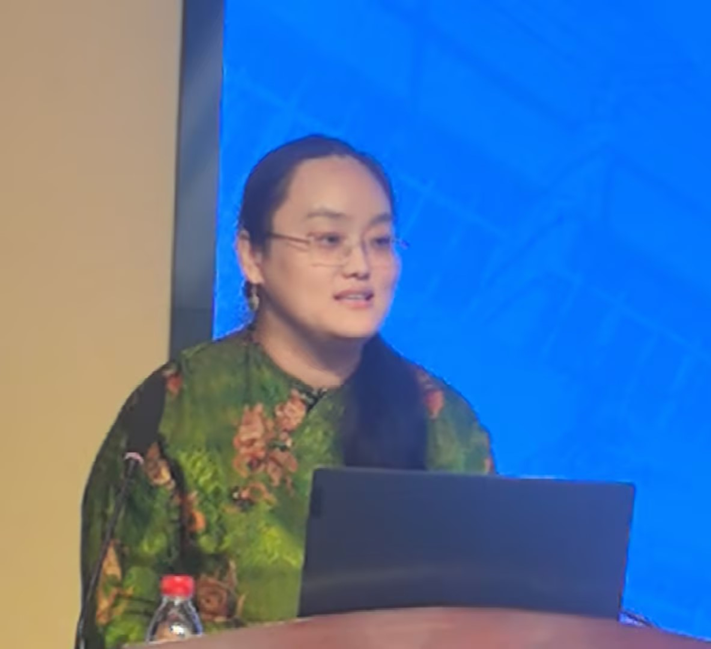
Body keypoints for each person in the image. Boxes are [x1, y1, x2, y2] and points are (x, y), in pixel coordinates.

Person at [79, 134, 495, 648]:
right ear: (252, 256)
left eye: (380, 240)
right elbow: (116, 621)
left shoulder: (442, 420)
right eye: (329, 240)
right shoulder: (176, 407)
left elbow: (487, 614)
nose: (360, 265)